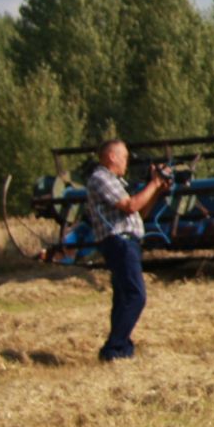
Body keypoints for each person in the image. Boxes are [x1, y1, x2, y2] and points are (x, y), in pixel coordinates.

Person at [85, 139, 170, 362]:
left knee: (123, 297)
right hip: (119, 241)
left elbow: (139, 213)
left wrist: (157, 190)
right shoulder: (101, 178)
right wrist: (154, 183)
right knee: (136, 296)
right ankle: (114, 349)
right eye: (124, 157)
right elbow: (130, 205)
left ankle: (122, 349)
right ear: (112, 157)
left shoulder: (116, 182)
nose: (127, 162)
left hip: (127, 242)